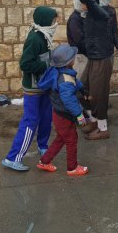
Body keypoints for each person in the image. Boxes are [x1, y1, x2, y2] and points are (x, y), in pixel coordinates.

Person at [2, 6, 58, 171]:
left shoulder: (44, 36)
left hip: (44, 86)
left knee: (46, 117)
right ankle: (13, 157)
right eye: (54, 20)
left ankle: (43, 145)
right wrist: (46, 64)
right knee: (30, 121)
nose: (55, 24)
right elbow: (25, 64)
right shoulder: (35, 38)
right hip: (33, 89)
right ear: (46, 21)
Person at [37, 44, 90, 176]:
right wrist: (79, 114)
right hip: (64, 116)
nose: (74, 59)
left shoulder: (62, 72)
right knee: (72, 139)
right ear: (68, 62)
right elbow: (69, 100)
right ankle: (72, 167)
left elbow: (75, 81)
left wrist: (83, 89)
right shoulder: (65, 81)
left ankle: (45, 161)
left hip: (60, 114)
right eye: (73, 58)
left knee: (61, 138)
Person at [79, 0, 118, 140]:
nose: (81, 6)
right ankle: (94, 121)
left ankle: (103, 129)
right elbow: (114, 32)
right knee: (82, 89)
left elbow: (114, 32)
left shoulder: (100, 12)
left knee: (98, 95)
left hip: (102, 58)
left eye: (83, 3)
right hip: (93, 57)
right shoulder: (94, 12)